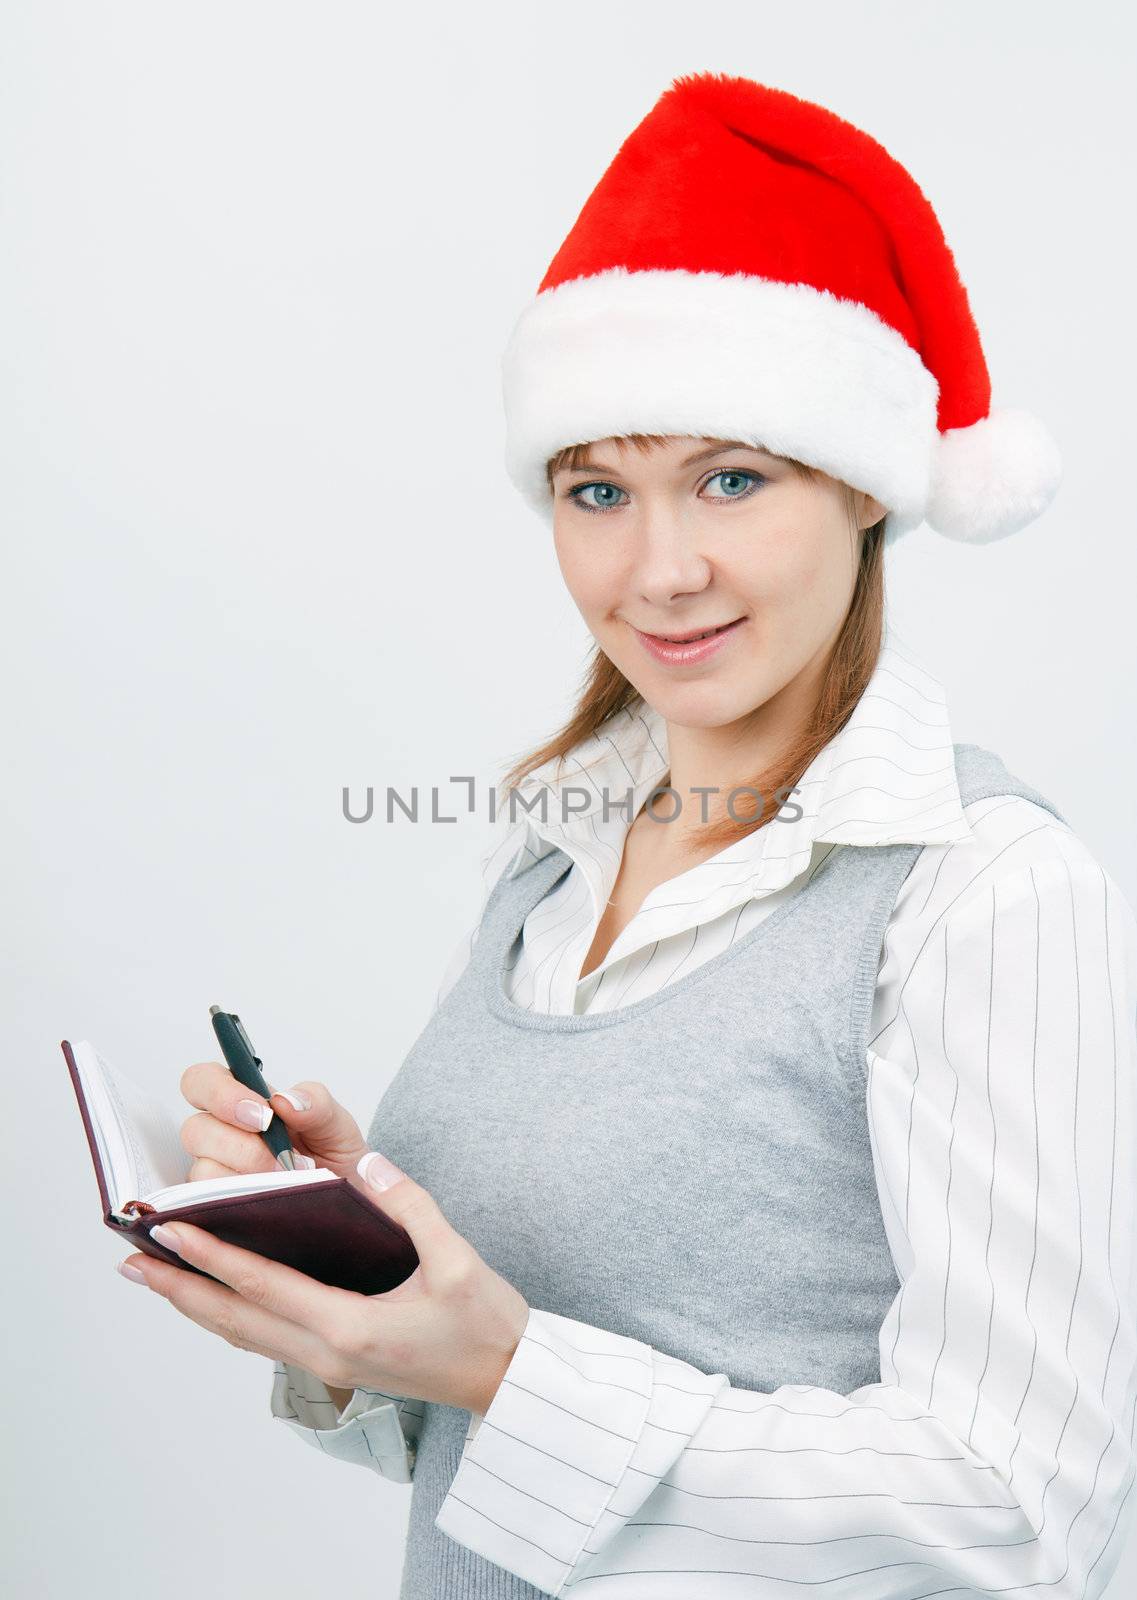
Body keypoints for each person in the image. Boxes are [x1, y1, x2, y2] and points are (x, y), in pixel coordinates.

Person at [116, 72, 1137, 1599]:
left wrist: (508, 1369)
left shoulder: (983, 890)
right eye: (597, 490)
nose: (658, 569)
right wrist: (363, 1260)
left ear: (863, 488)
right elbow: (455, 1441)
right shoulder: (550, 856)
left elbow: (1019, 1514)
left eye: (732, 478)